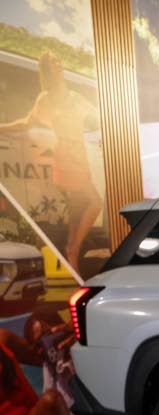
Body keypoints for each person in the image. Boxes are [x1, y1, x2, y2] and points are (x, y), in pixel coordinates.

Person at [0, 52, 103, 275]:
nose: (58, 65)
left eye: (58, 61)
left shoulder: (74, 97)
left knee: (76, 219)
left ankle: (72, 257)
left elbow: (98, 116)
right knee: (95, 202)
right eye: (52, 64)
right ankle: (72, 252)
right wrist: (2, 127)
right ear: (47, 71)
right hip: (66, 161)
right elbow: (27, 124)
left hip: (80, 160)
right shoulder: (45, 99)